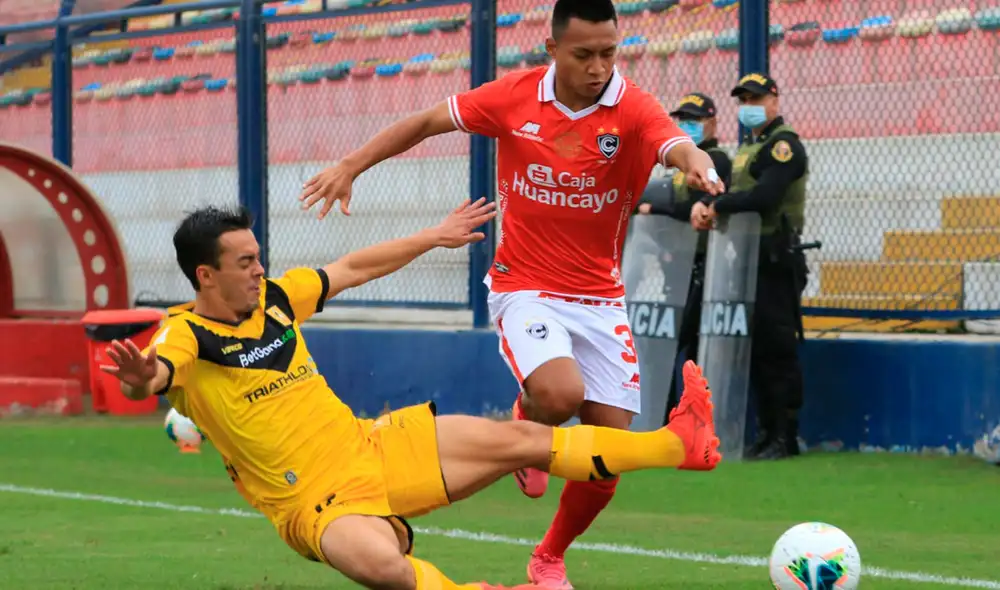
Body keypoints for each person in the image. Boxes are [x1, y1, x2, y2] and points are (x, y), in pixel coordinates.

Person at [298, 0, 725, 585]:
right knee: (560, 395)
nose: (599, 66)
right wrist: (351, 164)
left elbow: (674, 144)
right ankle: (529, 412)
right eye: (584, 54)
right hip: (526, 287)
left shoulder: (631, 107)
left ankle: (549, 557)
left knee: (606, 450)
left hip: (600, 296)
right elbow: (425, 121)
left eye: (608, 53)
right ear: (552, 50)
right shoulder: (513, 96)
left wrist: (696, 163)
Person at [99, 203, 722, 590]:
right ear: (206, 275)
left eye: (259, 257)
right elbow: (155, 375)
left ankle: (676, 443)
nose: (259, 270)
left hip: (371, 447)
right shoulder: (185, 332)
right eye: (244, 262)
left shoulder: (279, 300)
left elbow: (354, 267)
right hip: (312, 503)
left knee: (523, 438)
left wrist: (433, 236)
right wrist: (138, 378)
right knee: (384, 568)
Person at [695, 73, 809, 461]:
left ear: (775, 100)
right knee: (758, 349)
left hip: (776, 260)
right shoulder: (752, 147)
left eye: (756, 98)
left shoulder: (784, 147)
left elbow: (766, 196)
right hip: (749, 260)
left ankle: (785, 435)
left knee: (777, 348)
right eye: (743, 99)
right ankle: (766, 431)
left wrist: (720, 205)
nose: (749, 105)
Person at [634, 92, 733, 419]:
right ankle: (667, 421)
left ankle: (685, 421)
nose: (687, 126)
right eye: (683, 120)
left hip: (700, 266)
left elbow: (688, 206)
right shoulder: (682, 164)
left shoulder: (714, 159)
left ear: (712, 122)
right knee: (671, 346)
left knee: (684, 348)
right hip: (676, 266)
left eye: (694, 119)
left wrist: (651, 208)